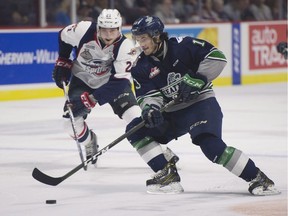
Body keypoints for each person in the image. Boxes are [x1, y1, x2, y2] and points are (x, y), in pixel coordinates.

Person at [126, 15, 281, 195]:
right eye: (137, 39)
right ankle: (167, 175)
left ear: (157, 35)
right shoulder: (140, 66)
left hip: (200, 104)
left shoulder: (182, 45)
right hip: (172, 112)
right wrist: (150, 109)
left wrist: (199, 78)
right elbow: (147, 96)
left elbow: (217, 57)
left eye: (143, 38)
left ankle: (258, 178)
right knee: (135, 130)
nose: (140, 43)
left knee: (211, 146)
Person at [52, 9, 142, 165]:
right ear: (98, 27)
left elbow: (119, 82)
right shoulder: (83, 29)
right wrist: (63, 60)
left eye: (112, 30)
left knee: (135, 117)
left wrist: (92, 99)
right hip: (82, 79)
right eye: (104, 29)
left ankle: (157, 148)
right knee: (69, 123)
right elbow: (63, 36)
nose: (108, 34)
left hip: (111, 84)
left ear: (119, 28)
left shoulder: (126, 47)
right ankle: (89, 142)